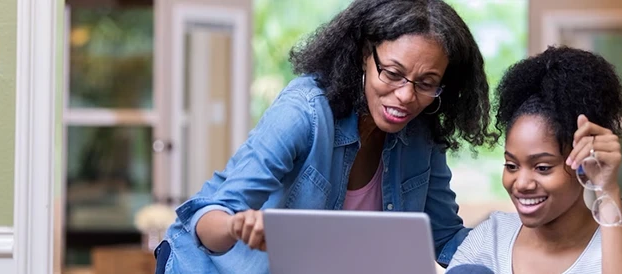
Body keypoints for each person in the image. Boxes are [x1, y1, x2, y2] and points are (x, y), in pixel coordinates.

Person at [156, 0, 498, 273]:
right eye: (393, 74)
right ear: (366, 54)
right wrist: (237, 226)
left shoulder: (422, 133)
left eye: (426, 83)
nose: (406, 96)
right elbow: (209, 222)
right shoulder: (304, 111)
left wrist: (522, 240)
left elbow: (445, 238)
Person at [447, 46, 622, 273]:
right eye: (511, 165)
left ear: (583, 160)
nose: (522, 183)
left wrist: (607, 189)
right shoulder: (490, 237)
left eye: (542, 167)